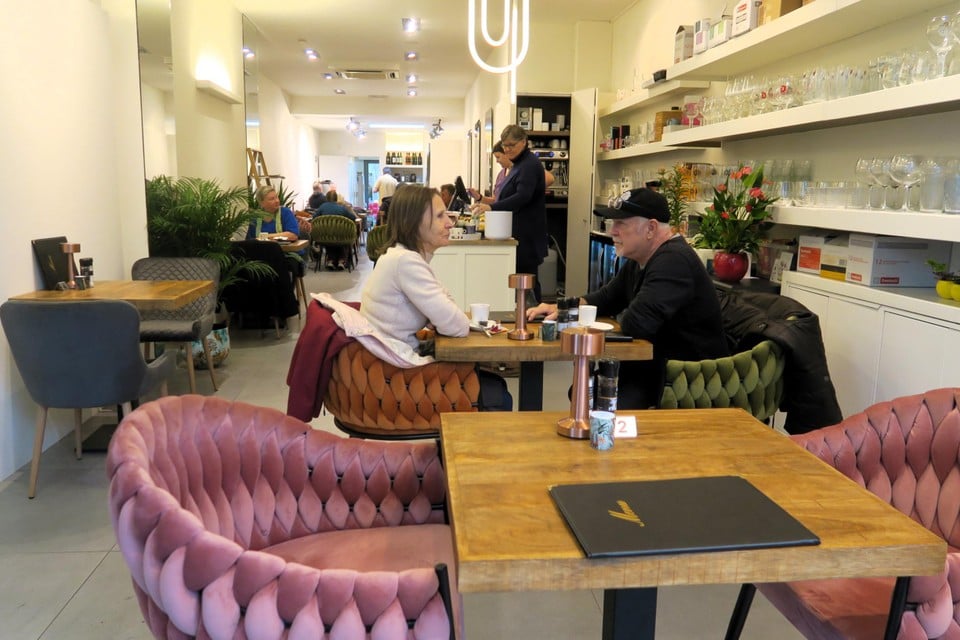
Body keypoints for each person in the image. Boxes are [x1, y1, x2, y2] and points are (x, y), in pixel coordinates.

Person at [526, 188, 729, 409]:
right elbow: (606, 297)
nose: (612, 231)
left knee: (592, 397)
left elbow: (637, 323)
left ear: (651, 228)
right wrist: (563, 307)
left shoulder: (673, 261)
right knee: (583, 391)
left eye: (621, 223)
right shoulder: (642, 259)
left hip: (686, 381)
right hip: (654, 368)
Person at [361, 185, 512, 411]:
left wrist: (443, 316)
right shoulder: (406, 262)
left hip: (389, 366)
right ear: (415, 223)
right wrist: (444, 318)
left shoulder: (402, 257)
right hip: (396, 376)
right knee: (496, 394)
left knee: (493, 385)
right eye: (440, 216)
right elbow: (458, 324)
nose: (450, 223)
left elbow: (448, 308)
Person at [470, 125, 549, 301]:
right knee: (521, 286)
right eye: (505, 145)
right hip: (520, 234)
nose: (507, 149)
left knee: (527, 286)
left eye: (511, 145)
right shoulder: (518, 165)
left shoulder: (529, 165)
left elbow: (523, 196)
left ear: (524, 142)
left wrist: (492, 207)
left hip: (527, 236)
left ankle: (533, 320)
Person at [315, 190, 358, 270]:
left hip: (324, 237)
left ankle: (330, 260)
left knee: (329, 237)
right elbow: (353, 218)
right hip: (341, 237)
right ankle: (341, 261)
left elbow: (314, 218)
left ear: (326, 198)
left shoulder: (322, 207)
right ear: (336, 198)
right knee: (342, 237)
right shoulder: (342, 208)